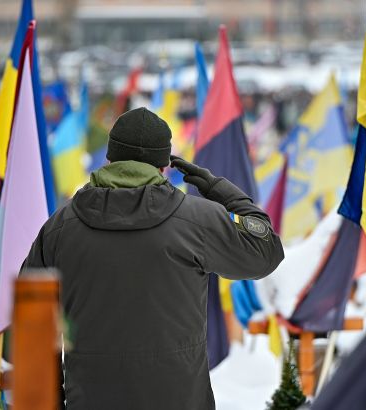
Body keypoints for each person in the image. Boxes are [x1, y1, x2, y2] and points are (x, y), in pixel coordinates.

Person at [22, 107, 284, 409]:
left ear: (110, 160)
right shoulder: (197, 221)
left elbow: (32, 329)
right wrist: (216, 187)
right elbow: (267, 250)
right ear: (165, 166)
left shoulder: (60, 228)